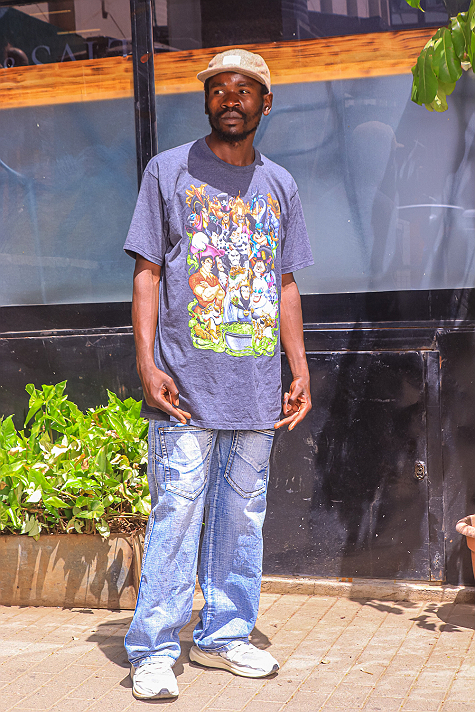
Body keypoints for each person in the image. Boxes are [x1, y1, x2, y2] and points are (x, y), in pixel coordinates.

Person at [123, 47, 314, 700]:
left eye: (244, 89)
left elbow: (284, 285)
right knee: (176, 516)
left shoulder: (280, 184)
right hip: (184, 388)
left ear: (266, 103)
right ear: (206, 101)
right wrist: (146, 362)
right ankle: (153, 648)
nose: (230, 99)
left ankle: (225, 634)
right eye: (218, 89)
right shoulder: (168, 170)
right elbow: (147, 272)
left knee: (242, 520)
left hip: (256, 389)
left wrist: (299, 369)